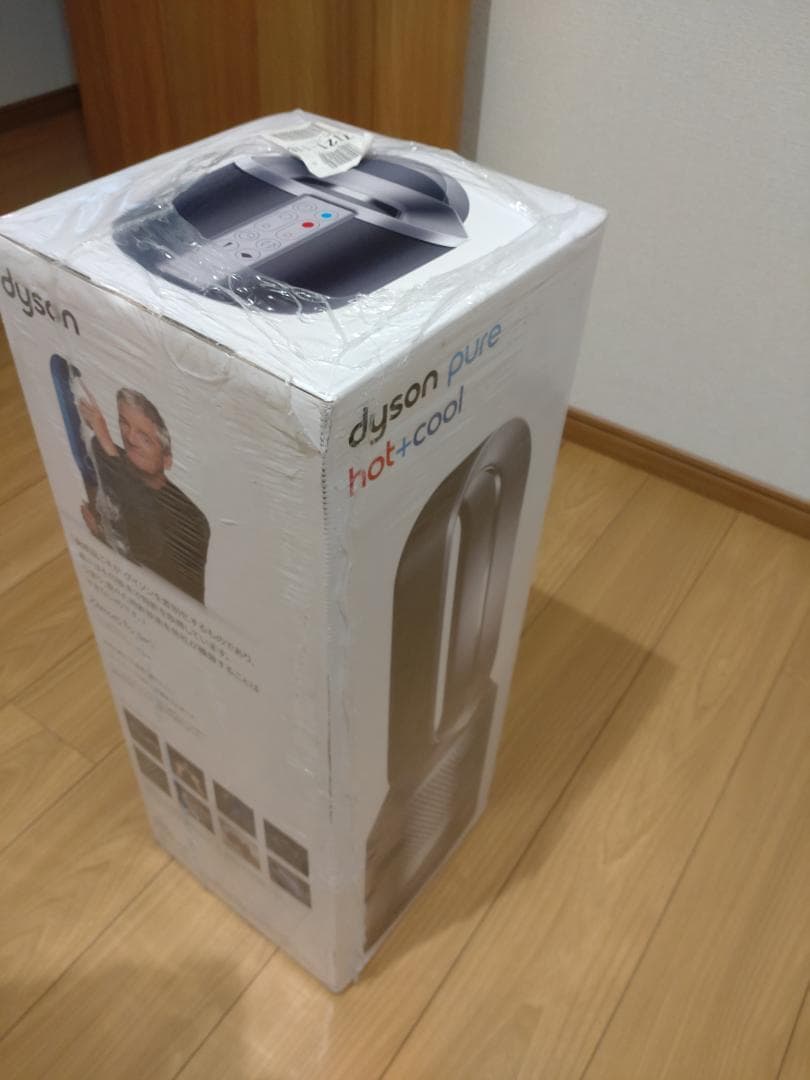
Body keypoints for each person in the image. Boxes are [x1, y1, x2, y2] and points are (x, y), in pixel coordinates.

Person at [78, 388, 210, 604]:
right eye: (124, 424)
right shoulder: (108, 458)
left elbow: (149, 541)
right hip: (121, 595)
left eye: (145, 438)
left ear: (167, 459)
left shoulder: (193, 520)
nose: (130, 438)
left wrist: (106, 441)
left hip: (171, 613)